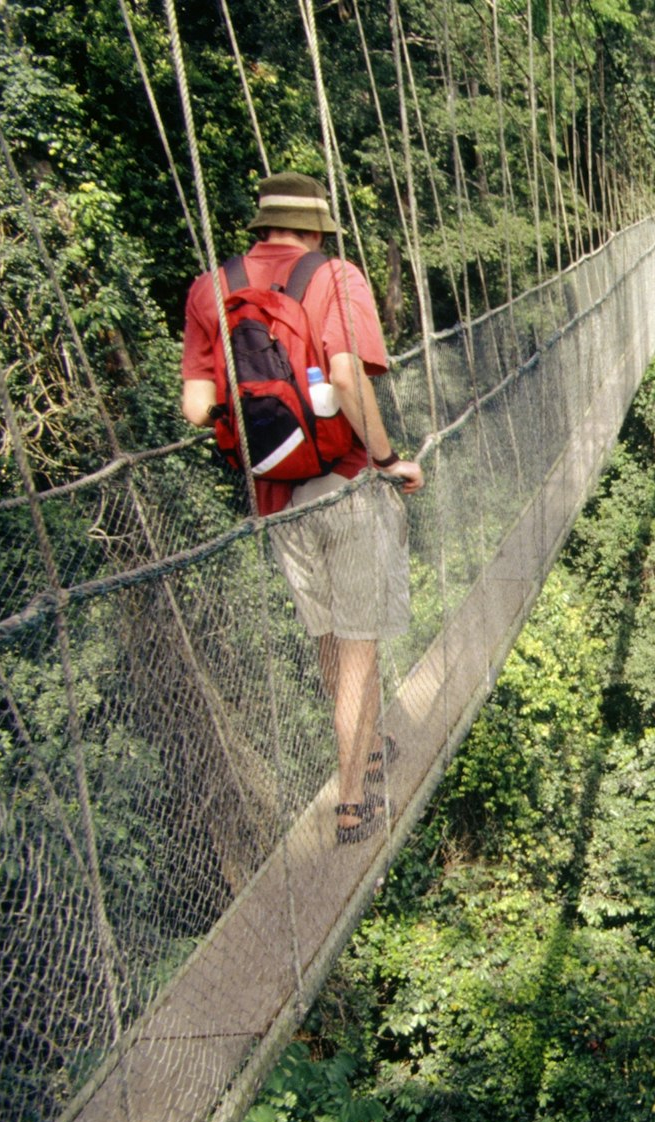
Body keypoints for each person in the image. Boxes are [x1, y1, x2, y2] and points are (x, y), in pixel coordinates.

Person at [180, 171, 425, 844]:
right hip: (343, 483)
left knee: (328, 638)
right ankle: (353, 802)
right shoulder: (335, 278)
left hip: (277, 501)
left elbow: (198, 406)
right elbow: (346, 376)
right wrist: (386, 460)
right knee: (360, 648)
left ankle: (366, 749)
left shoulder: (213, 288)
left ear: (261, 225)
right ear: (316, 228)